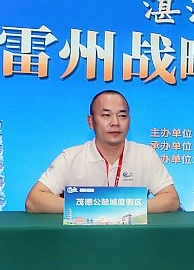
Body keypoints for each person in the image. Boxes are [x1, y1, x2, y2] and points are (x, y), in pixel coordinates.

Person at [25, 90, 180, 213]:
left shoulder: (145, 155)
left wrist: (122, 208)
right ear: (91, 122)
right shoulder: (71, 157)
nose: (115, 122)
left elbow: (172, 199)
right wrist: (93, 207)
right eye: (106, 115)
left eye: (122, 116)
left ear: (129, 121)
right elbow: (33, 201)